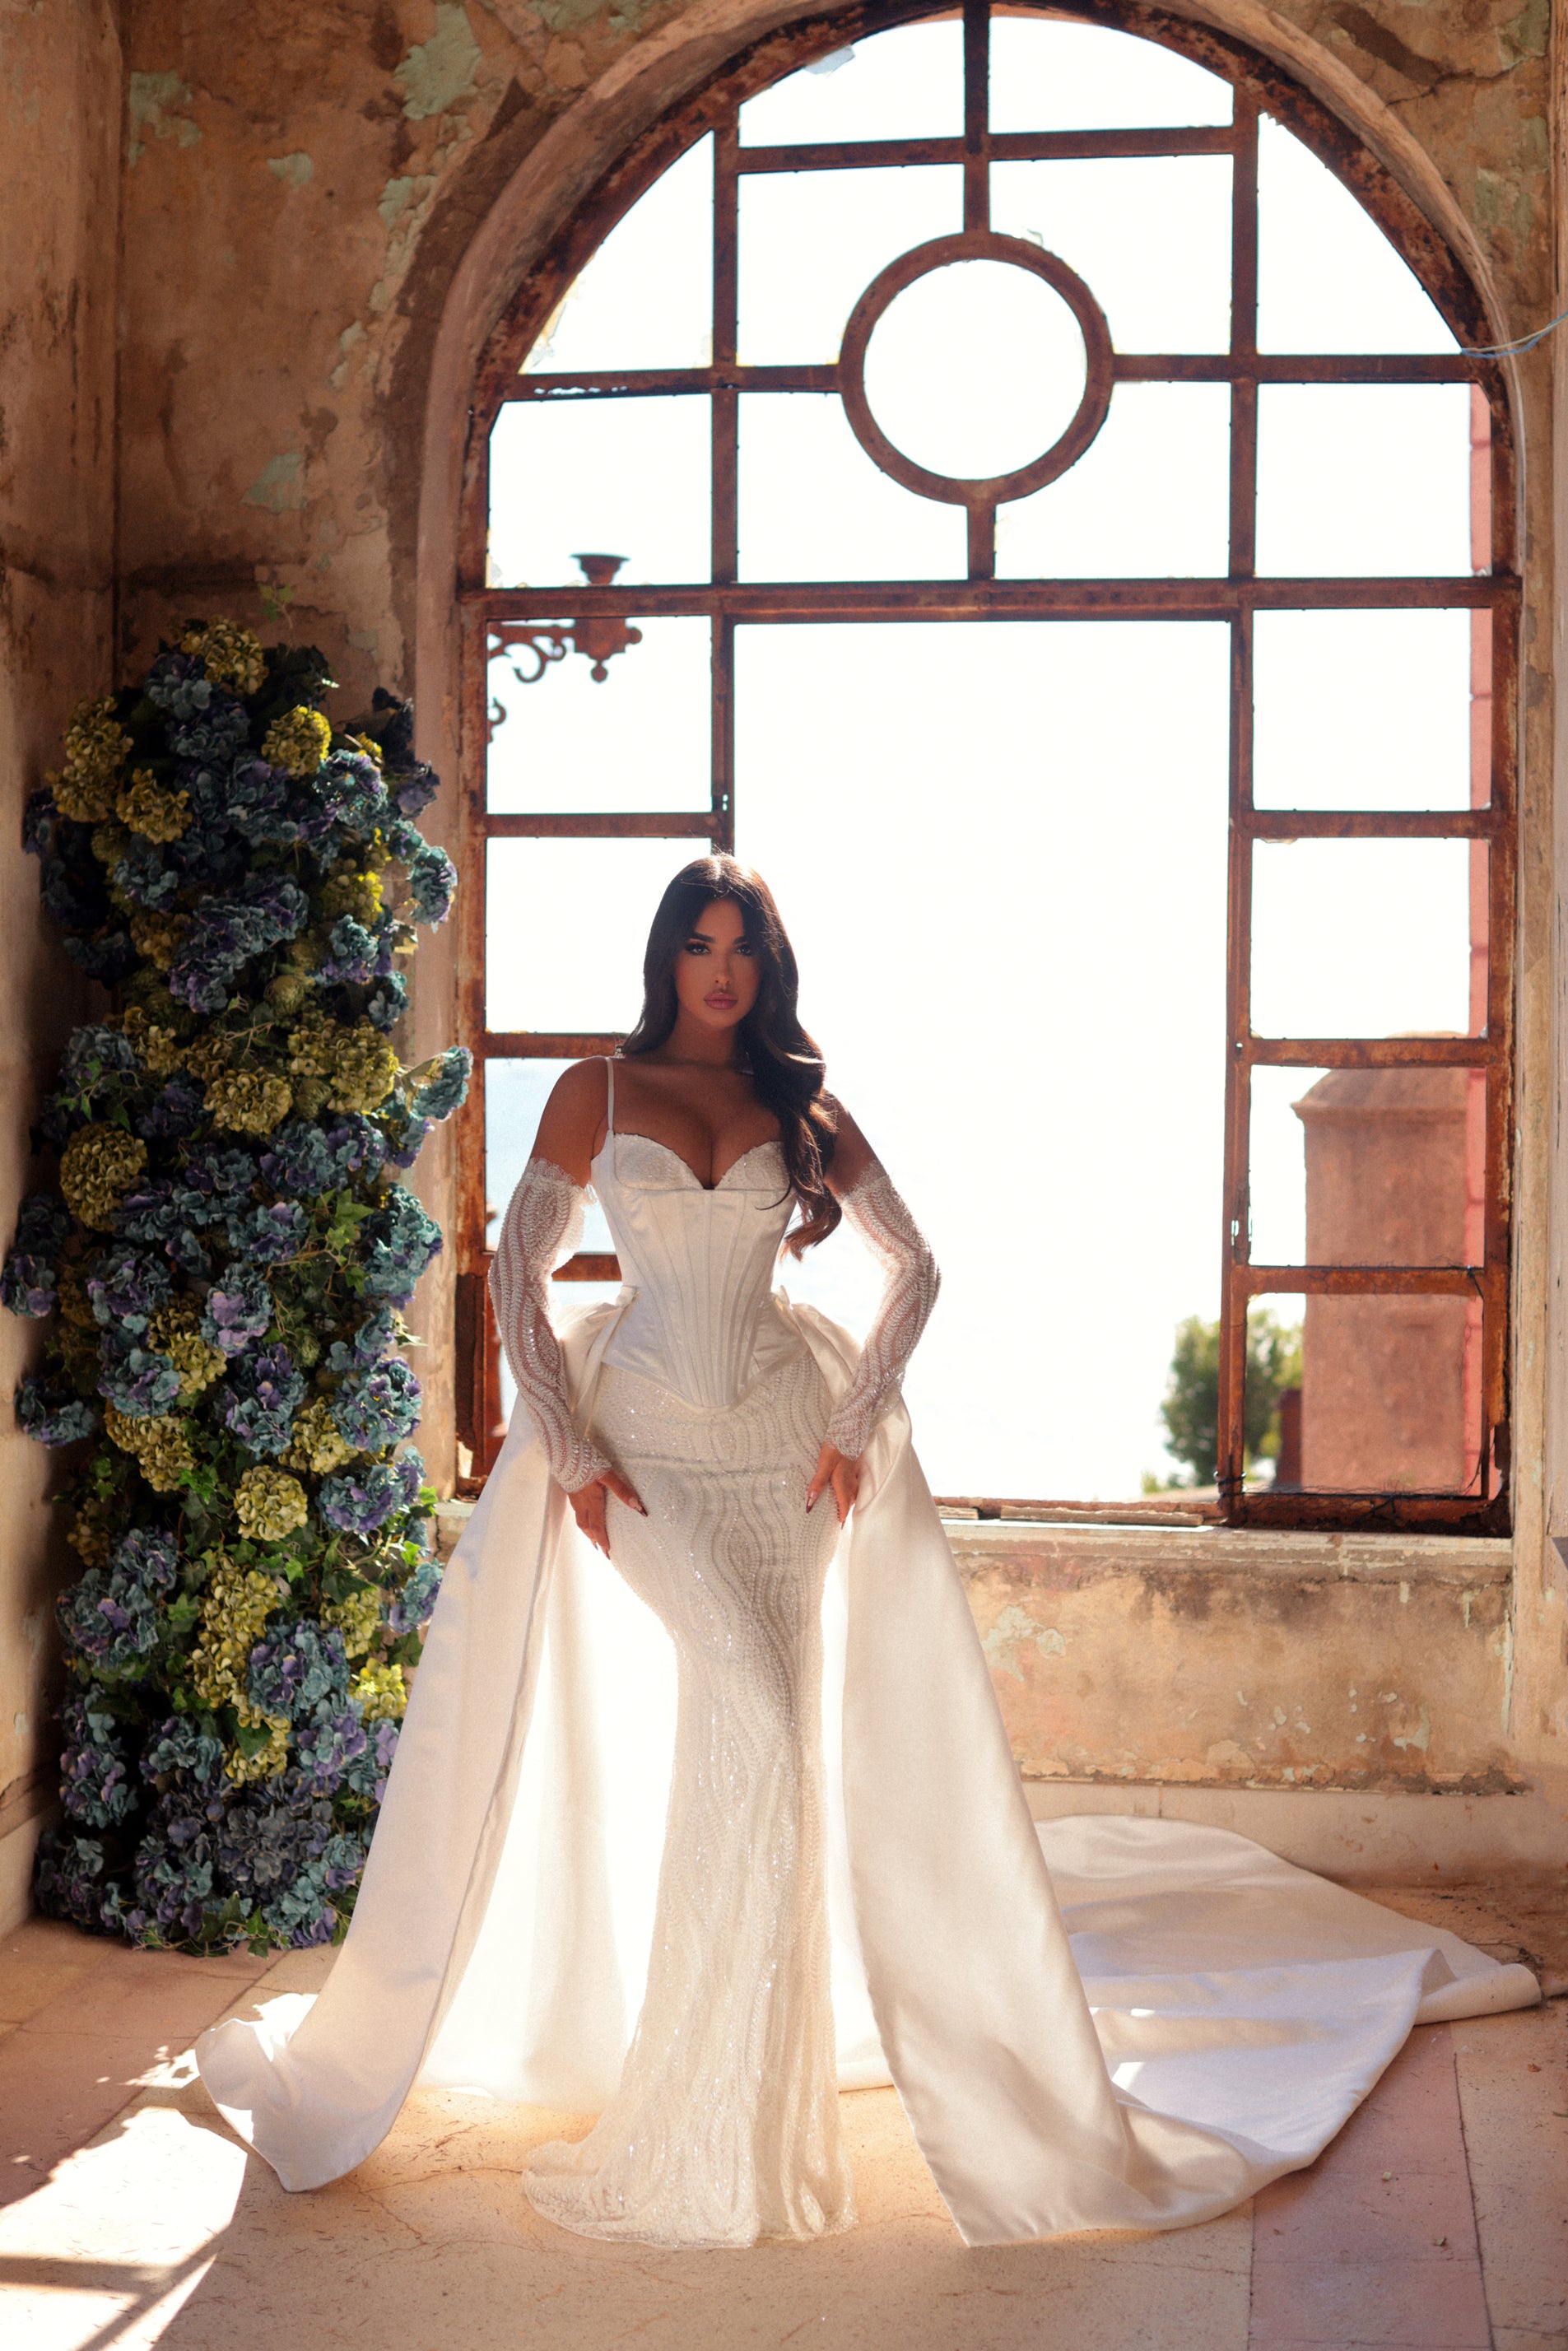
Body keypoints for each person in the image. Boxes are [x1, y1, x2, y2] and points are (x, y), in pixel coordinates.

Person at [198, 856, 1538, 2252]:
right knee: (750, 1707)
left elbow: (918, 1268)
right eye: (699, 944)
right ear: (666, 957)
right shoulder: (594, 1091)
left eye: (743, 948)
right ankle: (692, 2103)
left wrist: (853, 1421)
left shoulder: (801, 1106)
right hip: (646, 1448)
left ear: (767, 966)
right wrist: (572, 1450)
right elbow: (512, 1276)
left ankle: (744, 2113)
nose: (721, 970)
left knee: (776, 1744)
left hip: (785, 1452)